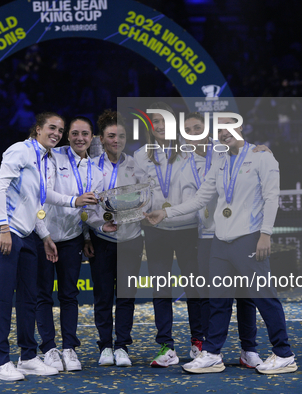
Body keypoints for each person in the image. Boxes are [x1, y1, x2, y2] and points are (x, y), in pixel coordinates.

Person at [145, 115, 298, 375]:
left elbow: (272, 198)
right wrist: (165, 213)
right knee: (217, 301)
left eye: (229, 127)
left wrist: (266, 234)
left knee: (263, 297)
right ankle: (213, 354)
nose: (225, 133)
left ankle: (284, 353)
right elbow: (201, 197)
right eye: (221, 129)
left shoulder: (262, 157)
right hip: (220, 242)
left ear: (240, 127)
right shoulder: (220, 162)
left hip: (249, 238)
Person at [0, 112, 65, 381]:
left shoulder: (47, 162)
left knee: (29, 297)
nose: (56, 133)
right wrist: (4, 229)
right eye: (52, 128)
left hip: (28, 234)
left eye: (60, 130)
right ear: (38, 129)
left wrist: (45, 236)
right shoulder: (20, 150)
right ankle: (0, 362)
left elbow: (39, 201)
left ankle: (28, 356)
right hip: (2, 229)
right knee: (4, 297)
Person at [182, 112, 267, 368]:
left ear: (207, 133)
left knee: (245, 295)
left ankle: (248, 349)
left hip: (237, 233)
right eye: (189, 130)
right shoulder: (179, 160)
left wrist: (260, 150)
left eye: (198, 128)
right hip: (204, 236)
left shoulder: (225, 153)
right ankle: (210, 349)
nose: (195, 133)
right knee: (211, 295)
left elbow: (249, 155)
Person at [133, 101, 204, 367]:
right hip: (156, 231)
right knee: (160, 289)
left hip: (188, 230)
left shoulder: (190, 151)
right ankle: (166, 347)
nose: (160, 126)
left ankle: (199, 342)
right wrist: (139, 212)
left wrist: (256, 147)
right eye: (156, 122)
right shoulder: (141, 155)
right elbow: (138, 193)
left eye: (165, 121)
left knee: (194, 288)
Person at [35, 116, 104, 372]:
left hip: (72, 239)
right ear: (68, 136)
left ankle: (69, 349)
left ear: (91, 137)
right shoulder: (53, 157)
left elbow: (88, 209)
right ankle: (50, 349)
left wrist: (86, 237)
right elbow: (43, 194)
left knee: (69, 295)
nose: (79, 138)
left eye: (84, 134)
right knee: (43, 294)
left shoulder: (95, 171)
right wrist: (43, 235)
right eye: (74, 133)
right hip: (45, 236)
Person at [84, 110, 144, 367]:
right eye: (111, 135)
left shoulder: (136, 165)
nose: (116, 140)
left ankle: (122, 347)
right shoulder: (91, 166)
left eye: (120, 135)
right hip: (102, 240)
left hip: (131, 239)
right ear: (101, 138)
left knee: (126, 296)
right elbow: (84, 206)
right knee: (103, 295)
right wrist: (94, 229)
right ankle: (105, 346)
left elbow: (146, 199)